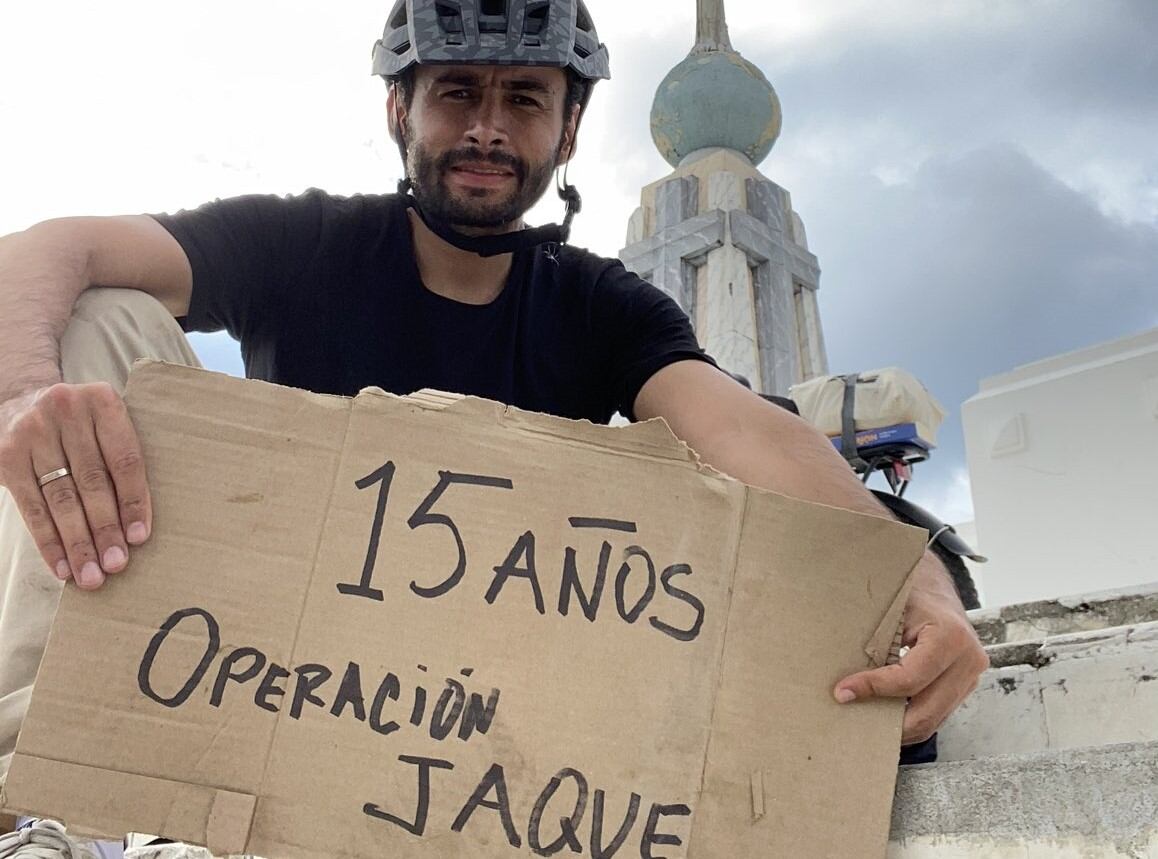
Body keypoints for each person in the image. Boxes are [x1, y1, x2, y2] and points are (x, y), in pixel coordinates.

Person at [0, 0, 986, 848]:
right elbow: (52, 248)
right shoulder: (301, 241)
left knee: (759, 506)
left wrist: (917, 581)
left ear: (565, 131)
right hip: (265, 672)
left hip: (475, 734)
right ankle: (36, 804)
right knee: (102, 316)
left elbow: (745, 433)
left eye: (524, 98)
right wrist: (21, 399)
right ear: (400, 108)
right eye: (457, 91)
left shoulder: (599, 304)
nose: (487, 127)